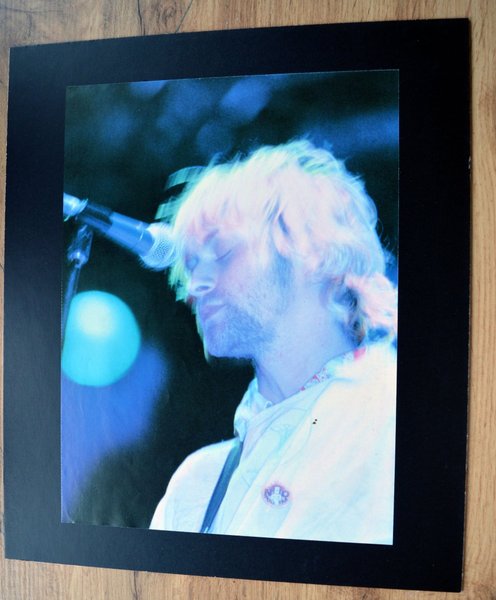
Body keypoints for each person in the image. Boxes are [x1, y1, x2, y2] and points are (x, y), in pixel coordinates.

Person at [150, 140, 397, 544]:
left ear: (311, 248)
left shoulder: (394, 413)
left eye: (222, 253)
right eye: (191, 265)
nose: (195, 286)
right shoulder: (197, 484)